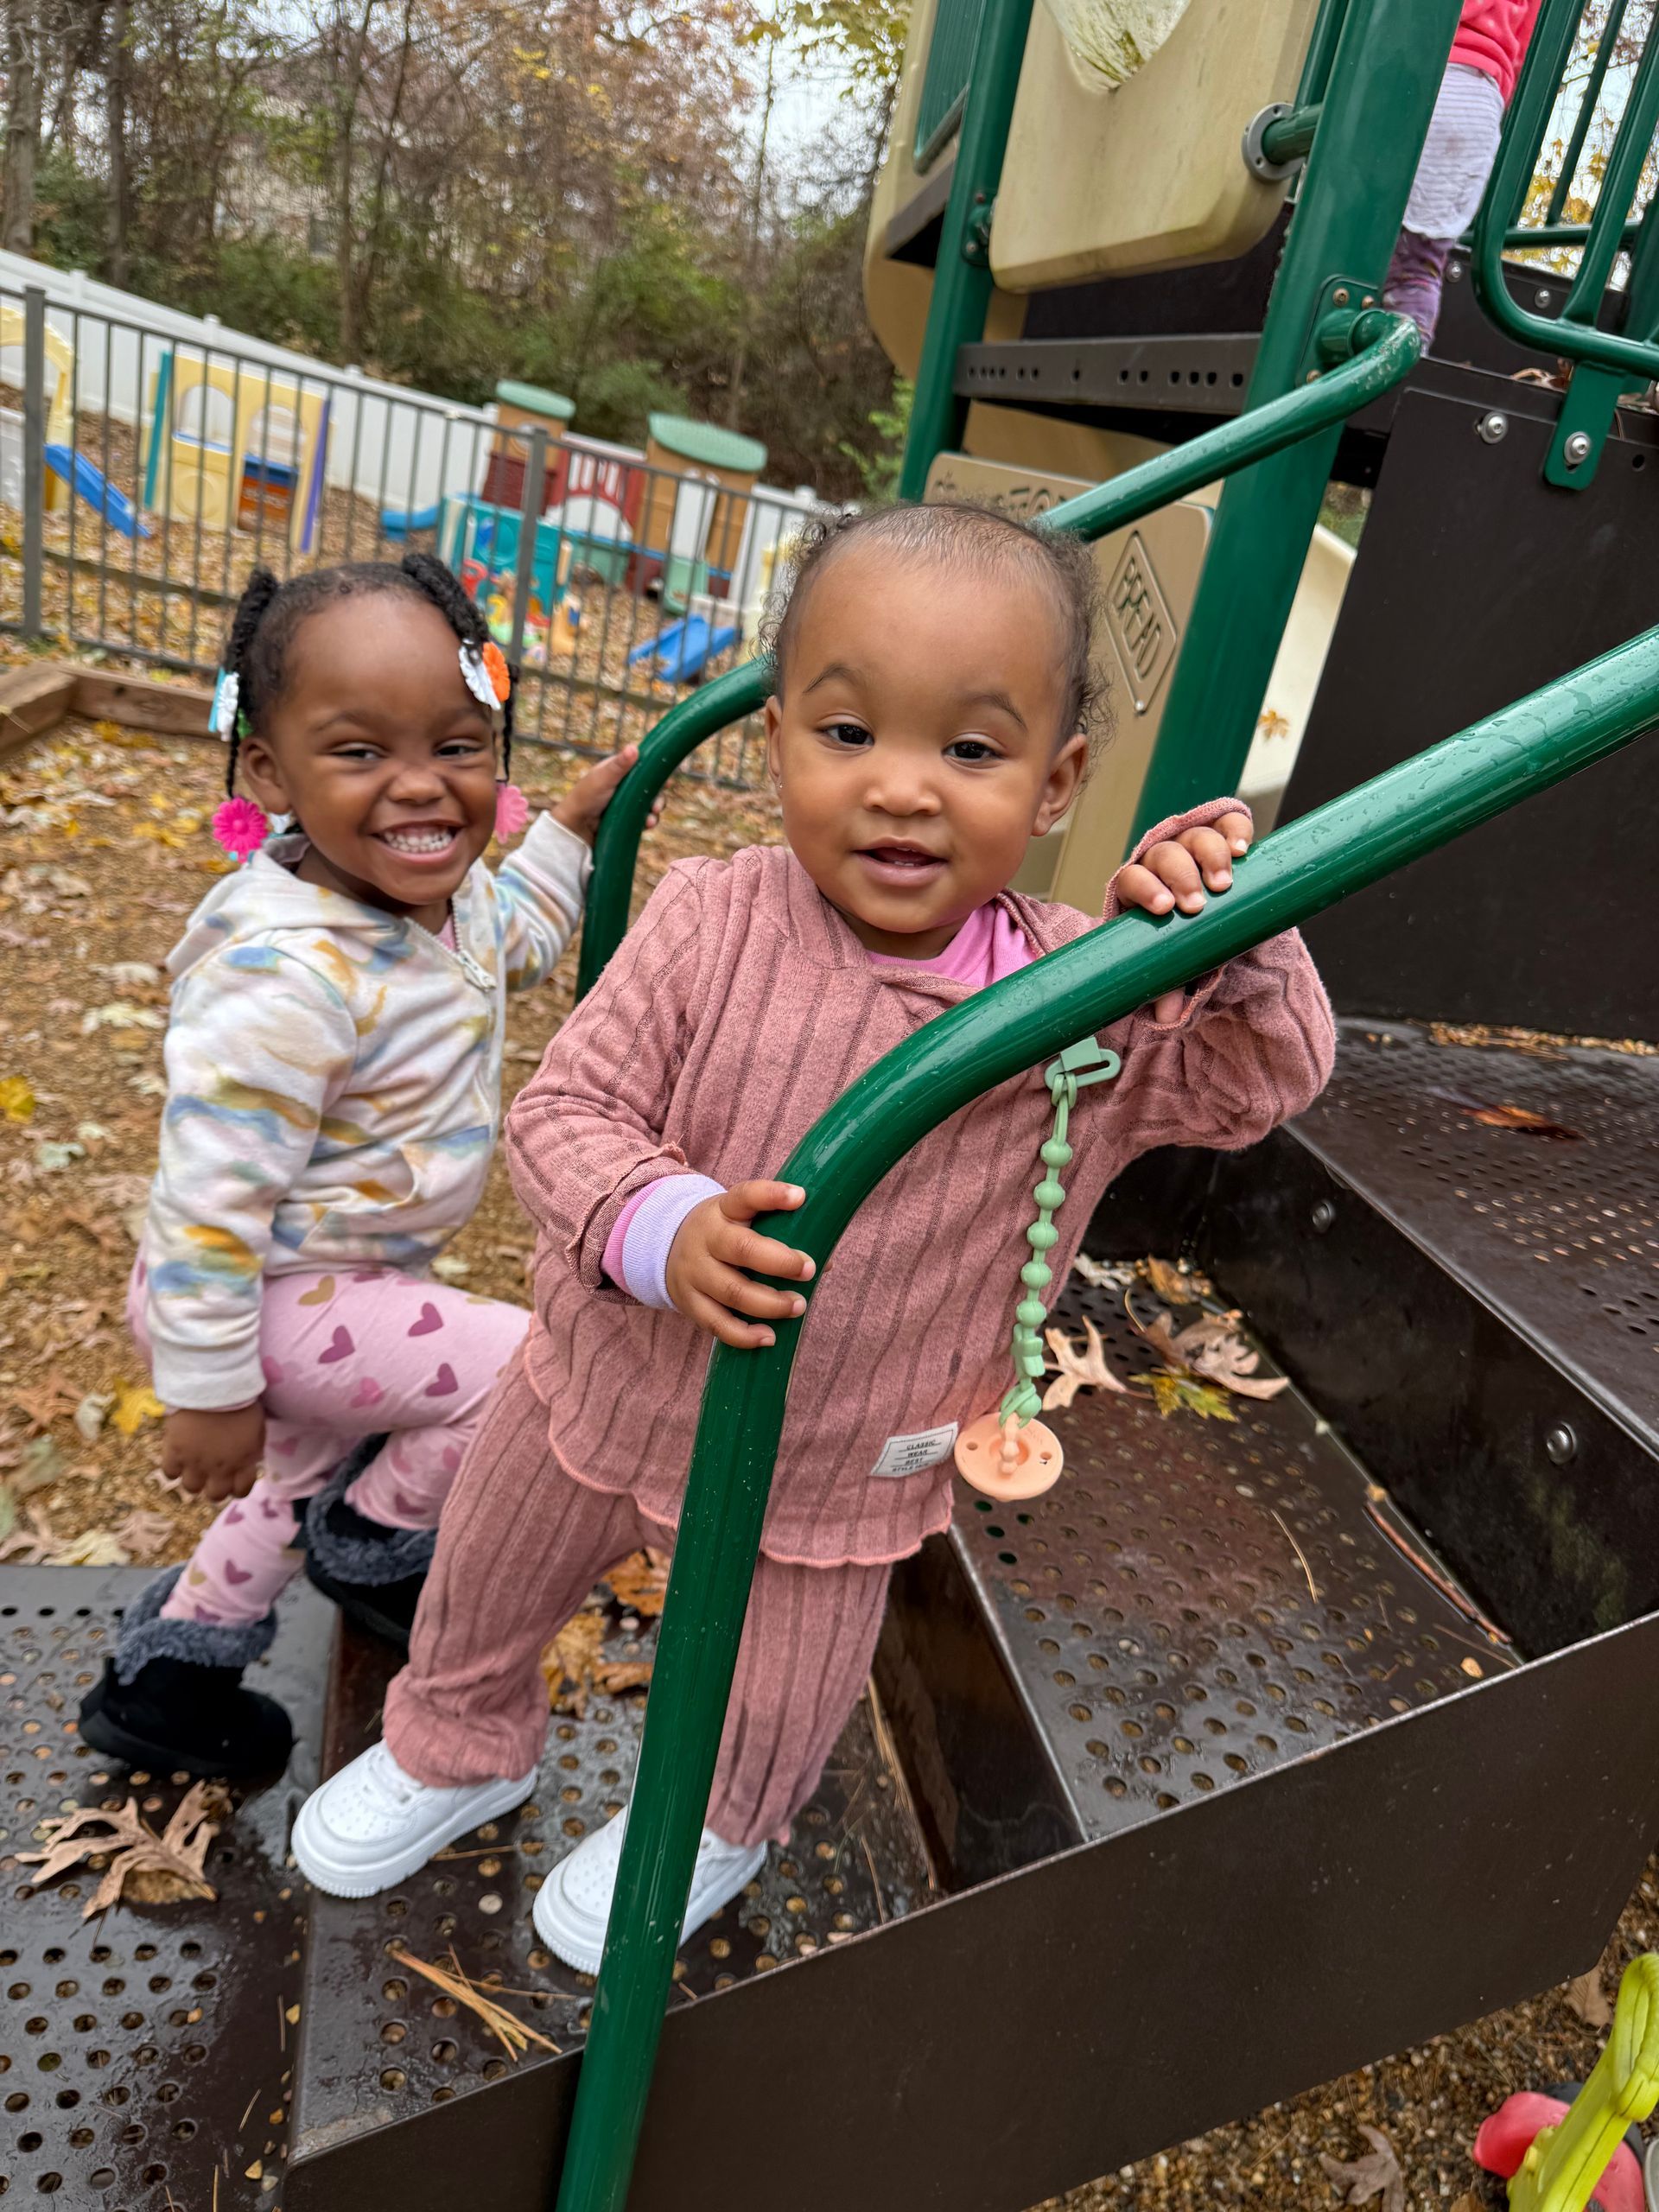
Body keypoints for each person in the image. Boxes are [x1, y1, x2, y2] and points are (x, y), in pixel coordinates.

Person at [290, 502, 1337, 1968]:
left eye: (970, 751)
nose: (903, 790)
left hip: (844, 1448)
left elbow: (1261, 1083)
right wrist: (660, 1226)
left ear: (1058, 783)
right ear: (779, 740)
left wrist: (1231, 940)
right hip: (607, 1373)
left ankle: (723, 1819)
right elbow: (566, 1114)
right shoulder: (711, 918)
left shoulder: (1086, 998)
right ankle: (461, 1740)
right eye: (849, 735)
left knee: (779, 1680)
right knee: (492, 1565)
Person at [78, 552, 645, 1781]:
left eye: (457, 743)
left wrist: (568, 834)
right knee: (539, 1364)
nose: (418, 787)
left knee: (280, 1497)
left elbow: (520, 945)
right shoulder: (284, 976)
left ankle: (167, 1686)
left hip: (346, 1294)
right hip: (265, 1302)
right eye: (358, 753)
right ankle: (382, 1538)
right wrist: (211, 1383)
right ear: (270, 773)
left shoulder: (449, 905)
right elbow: (206, 1205)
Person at [1382, 1, 1545, 347]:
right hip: (1482, 101)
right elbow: (1524, 41)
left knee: (1349, 225)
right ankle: (1401, 356)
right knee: (1420, 268)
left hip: (1427, 69)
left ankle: (1301, 338)